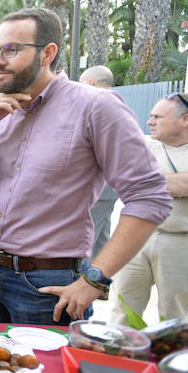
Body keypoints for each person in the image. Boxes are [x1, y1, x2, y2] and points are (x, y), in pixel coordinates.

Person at [0, 8, 172, 325]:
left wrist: (94, 281)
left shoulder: (95, 106)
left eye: (11, 50)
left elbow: (149, 196)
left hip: (48, 284)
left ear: (47, 53)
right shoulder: (2, 111)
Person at [109, 92, 188, 323]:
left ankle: (172, 358)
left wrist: (146, 183)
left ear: (186, 120)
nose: (149, 122)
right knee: (123, 308)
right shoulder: (144, 145)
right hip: (137, 238)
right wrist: (175, 184)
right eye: (151, 116)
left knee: (178, 315)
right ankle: (118, 354)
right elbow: (121, 181)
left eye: (158, 117)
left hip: (181, 242)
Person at [80, 65, 120, 258]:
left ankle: (84, 283)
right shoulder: (116, 105)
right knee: (100, 238)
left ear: (91, 83)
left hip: (100, 186)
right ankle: (99, 284)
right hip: (109, 186)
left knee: (87, 240)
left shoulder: (102, 105)